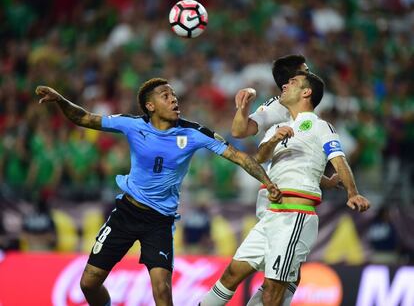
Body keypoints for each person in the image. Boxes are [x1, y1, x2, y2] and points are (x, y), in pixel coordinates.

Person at [35, 78, 281, 306]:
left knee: (162, 291)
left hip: (159, 221)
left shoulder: (193, 133)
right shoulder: (132, 125)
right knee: (88, 283)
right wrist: (61, 100)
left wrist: (268, 182)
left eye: (174, 95)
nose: (174, 99)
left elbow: (239, 157)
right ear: (150, 106)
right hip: (126, 213)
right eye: (166, 96)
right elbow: (85, 118)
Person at [200, 71, 370, 306]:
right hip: (271, 216)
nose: (285, 84)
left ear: (306, 92)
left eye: (293, 82)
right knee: (231, 274)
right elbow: (260, 158)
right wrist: (273, 140)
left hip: (294, 217)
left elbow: (339, 159)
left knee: (272, 292)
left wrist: (352, 192)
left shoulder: (321, 126)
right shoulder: (277, 127)